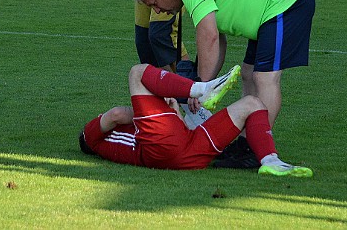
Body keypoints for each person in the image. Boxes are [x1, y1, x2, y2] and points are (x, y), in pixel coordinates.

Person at [133, 0, 315, 168]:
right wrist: (204, 86)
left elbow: (208, 35)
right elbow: (218, 41)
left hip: (287, 4)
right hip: (272, 11)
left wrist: (200, 86)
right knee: (249, 74)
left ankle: (254, 149)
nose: (157, 11)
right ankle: (245, 144)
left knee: (265, 78)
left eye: (154, 3)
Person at [79, 62, 312, 177]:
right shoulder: (92, 138)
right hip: (160, 150)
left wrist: (174, 114)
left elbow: (173, 134)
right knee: (137, 72)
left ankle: (270, 162)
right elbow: (117, 115)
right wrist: (150, 108)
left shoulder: (115, 145)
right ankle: (201, 89)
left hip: (185, 153)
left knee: (252, 103)